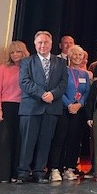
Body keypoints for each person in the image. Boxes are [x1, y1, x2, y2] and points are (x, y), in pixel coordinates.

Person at [17, 31, 68, 184]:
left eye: (46, 42)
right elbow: (24, 82)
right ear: (35, 44)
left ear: (51, 44)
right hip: (31, 107)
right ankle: (23, 172)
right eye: (39, 42)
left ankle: (39, 171)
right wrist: (42, 94)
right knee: (27, 141)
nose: (43, 45)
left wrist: (53, 94)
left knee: (45, 141)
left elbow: (63, 83)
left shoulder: (60, 63)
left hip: (51, 108)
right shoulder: (27, 62)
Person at [48, 45, 91, 181]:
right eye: (75, 55)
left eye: (80, 55)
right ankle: (55, 168)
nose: (78, 57)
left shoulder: (85, 74)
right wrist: (69, 105)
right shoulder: (63, 71)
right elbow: (59, 90)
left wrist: (79, 104)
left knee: (74, 140)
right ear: (69, 56)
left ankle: (70, 168)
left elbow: (87, 92)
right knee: (60, 138)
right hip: (63, 109)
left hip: (78, 111)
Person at [0, 40, 29, 183]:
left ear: (23, 52)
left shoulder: (28, 68)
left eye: (18, 51)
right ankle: (3, 176)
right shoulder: (2, 68)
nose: (14, 55)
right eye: (12, 52)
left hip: (23, 107)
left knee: (20, 141)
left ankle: (16, 174)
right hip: (6, 107)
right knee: (5, 140)